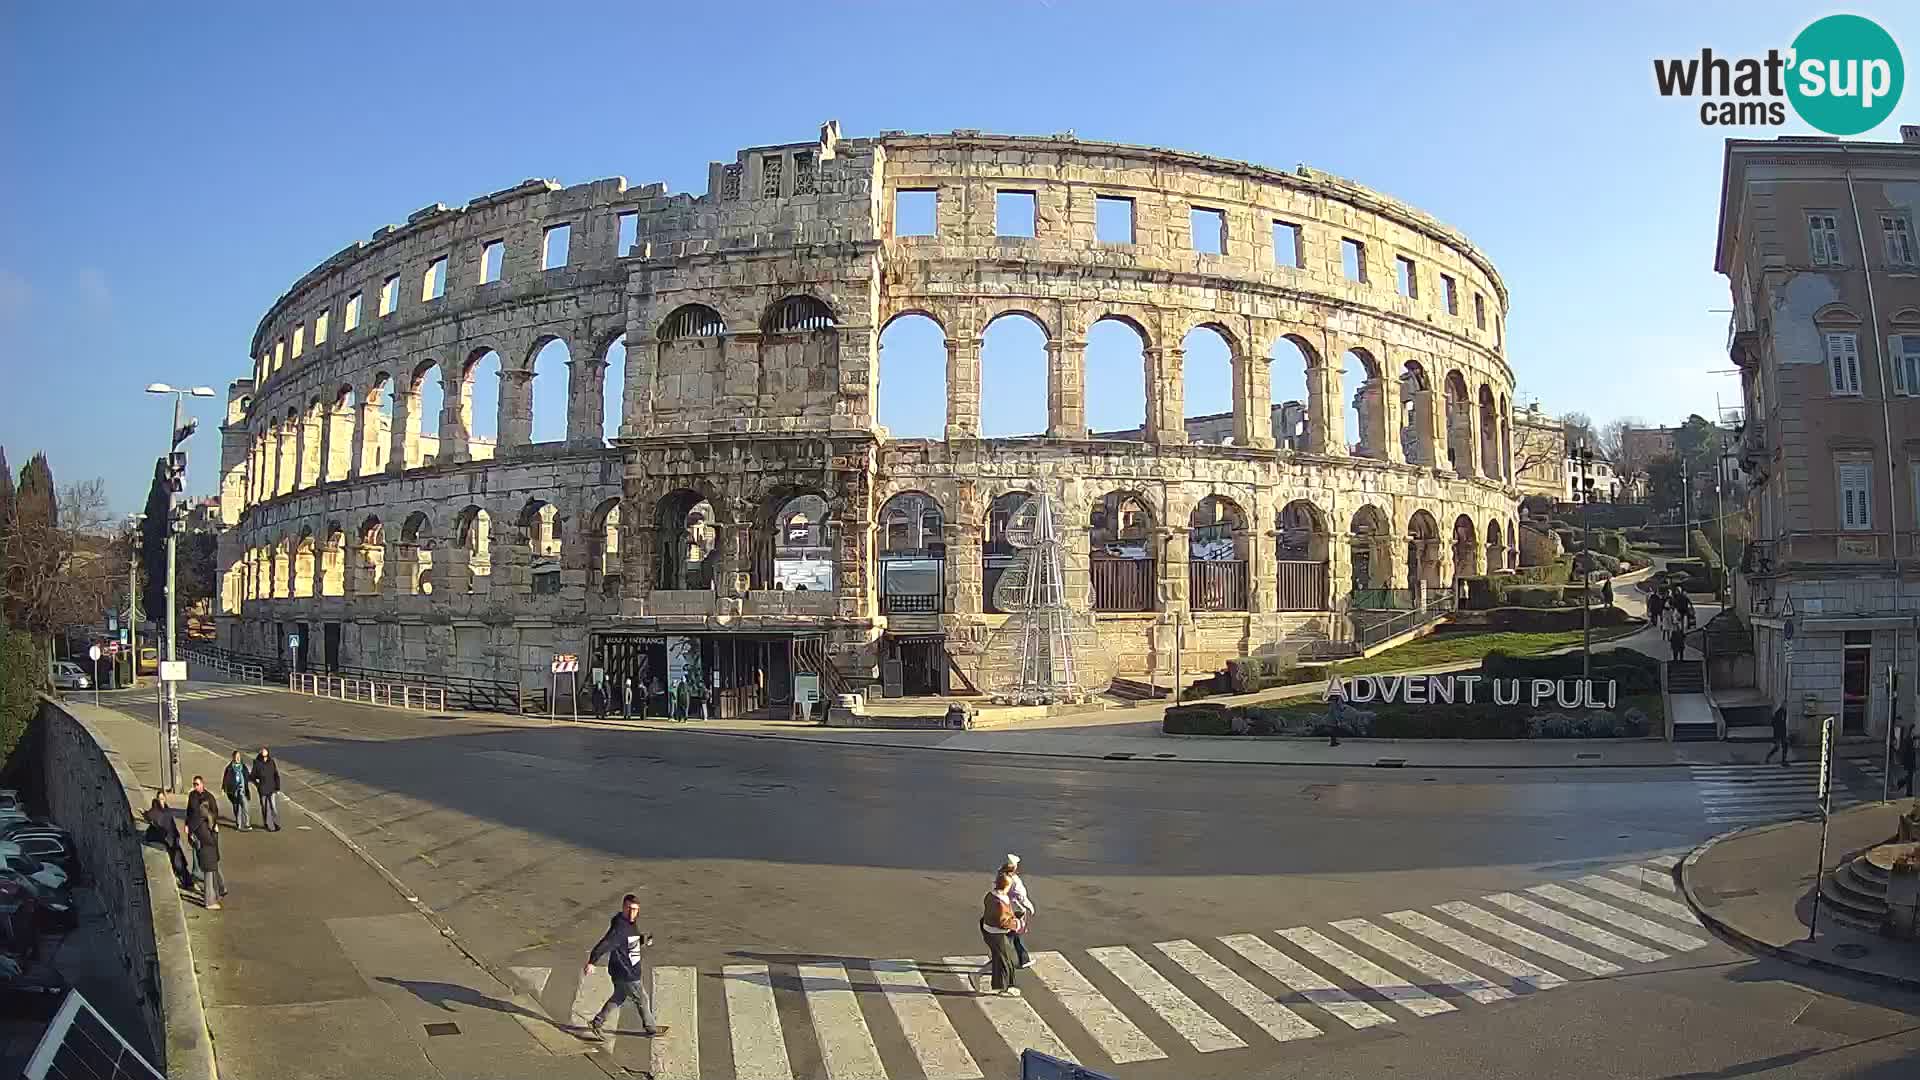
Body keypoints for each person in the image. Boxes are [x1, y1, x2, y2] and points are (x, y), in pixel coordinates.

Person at [582, 894, 668, 1041]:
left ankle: (597, 1022)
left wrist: (643, 940)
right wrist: (592, 961)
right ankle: (651, 1028)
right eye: (629, 908)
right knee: (642, 999)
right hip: (626, 972)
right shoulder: (620, 928)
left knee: (619, 997)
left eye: (635, 910)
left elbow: (630, 939)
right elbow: (605, 944)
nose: (632, 913)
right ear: (623, 907)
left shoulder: (628, 923)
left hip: (624, 970)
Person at [978, 871, 1024, 996]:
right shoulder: (1000, 902)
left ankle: (997, 984)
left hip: (988, 930)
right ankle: (1008, 987)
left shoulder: (990, 895)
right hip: (997, 934)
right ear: (1006, 886)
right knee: (1007, 960)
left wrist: (1013, 917)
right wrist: (1017, 924)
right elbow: (1002, 922)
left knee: (999, 958)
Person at [145, 790, 196, 890]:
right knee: (177, 862)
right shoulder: (156, 810)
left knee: (179, 862)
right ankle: (187, 883)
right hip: (167, 840)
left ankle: (188, 882)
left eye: (163, 799)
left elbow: (170, 825)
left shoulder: (167, 810)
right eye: (159, 799)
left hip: (172, 839)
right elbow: (150, 816)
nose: (161, 801)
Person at [188, 798, 227, 909]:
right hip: (207, 853)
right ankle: (209, 902)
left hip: (205, 853)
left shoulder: (197, 822)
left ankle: (212, 898)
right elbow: (209, 840)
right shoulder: (202, 824)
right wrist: (215, 832)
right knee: (208, 879)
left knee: (209, 877)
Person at [1002, 855, 1035, 969]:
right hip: (1016, 910)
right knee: (1012, 935)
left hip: (1004, 909)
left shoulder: (1001, 876)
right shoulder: (1014, 880)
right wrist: (1030, 907)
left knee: (1011, 935)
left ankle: (1023, 958)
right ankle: (1020, 959)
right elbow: (1021, 897)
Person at [252, 746, 282, 832]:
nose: (264, 753)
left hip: (271, 788)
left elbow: (276, 774)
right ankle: (268, 825)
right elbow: (252, 776)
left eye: (265, 751)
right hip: (262, 789)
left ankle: (276, 824)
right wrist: (257, 784)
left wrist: (277, 787)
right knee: (265, 808)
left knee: (273, 807)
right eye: (262, 751)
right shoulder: (257, 763)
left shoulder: (271, 762)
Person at [223, 751, 253, 830]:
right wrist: (225, 789)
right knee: (237, 807)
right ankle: (239, 824)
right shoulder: (229, 768)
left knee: (245, 805)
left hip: (242, 789)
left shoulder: (243, 767)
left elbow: (248, 776)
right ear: (233, 758)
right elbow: (225, 779)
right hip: (233, 790)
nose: (238, 758)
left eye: (239, 757)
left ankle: (247, 824)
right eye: (236, 757)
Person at [1898, 723, 1916, 797]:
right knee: (1910, 777)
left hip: (1911, 761)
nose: (1915, 732)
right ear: (1911, 731)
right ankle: (1909, 792)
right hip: (1909, 761)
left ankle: (1902, 782)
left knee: (1910, 776)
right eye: (1914, 730)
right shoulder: (1908, 739)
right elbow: (1904, 751)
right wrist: (1903, 761)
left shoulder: (1912, 739)